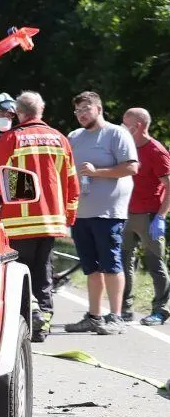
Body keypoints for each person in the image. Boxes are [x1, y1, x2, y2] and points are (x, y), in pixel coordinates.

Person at [0, 91, 79, 342]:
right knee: (44, 272)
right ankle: (43, 323)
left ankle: (26, 321)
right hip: (51, 221)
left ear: (19, 113)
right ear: (41, 111)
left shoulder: (11, 139)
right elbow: (72, 182)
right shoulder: (60, 139)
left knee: (19, 273)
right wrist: (68, 217)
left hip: (19, 222)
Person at [64, 92, 138, 334]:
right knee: (91, 268)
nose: (81, 115)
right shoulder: (74, 137)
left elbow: (131, 167)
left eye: (86, 109)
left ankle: (116, 317)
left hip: (108, 213)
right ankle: (94, 316)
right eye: (77, 112)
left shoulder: (116, 133)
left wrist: (96, 172)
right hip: (81, 213)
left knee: (111, 265)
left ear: (98, 108)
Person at [120, 108, 170, 325]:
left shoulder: (156, 151)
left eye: (125, 123)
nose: (121, 127)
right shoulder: (125, 148)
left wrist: (160, 217)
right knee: (123, 263)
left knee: (155, 264)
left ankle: (161, 310)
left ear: (137, 126)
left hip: (149, 216)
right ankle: (124, 309)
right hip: (124, 214)